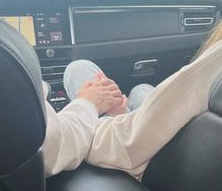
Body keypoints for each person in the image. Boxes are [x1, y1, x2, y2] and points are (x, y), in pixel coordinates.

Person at [42, 21, 222, 181]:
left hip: (150, 164)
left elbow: (60, 147)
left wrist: (93, 107)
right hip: (176, 143)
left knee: (78, 69)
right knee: (140, 90)